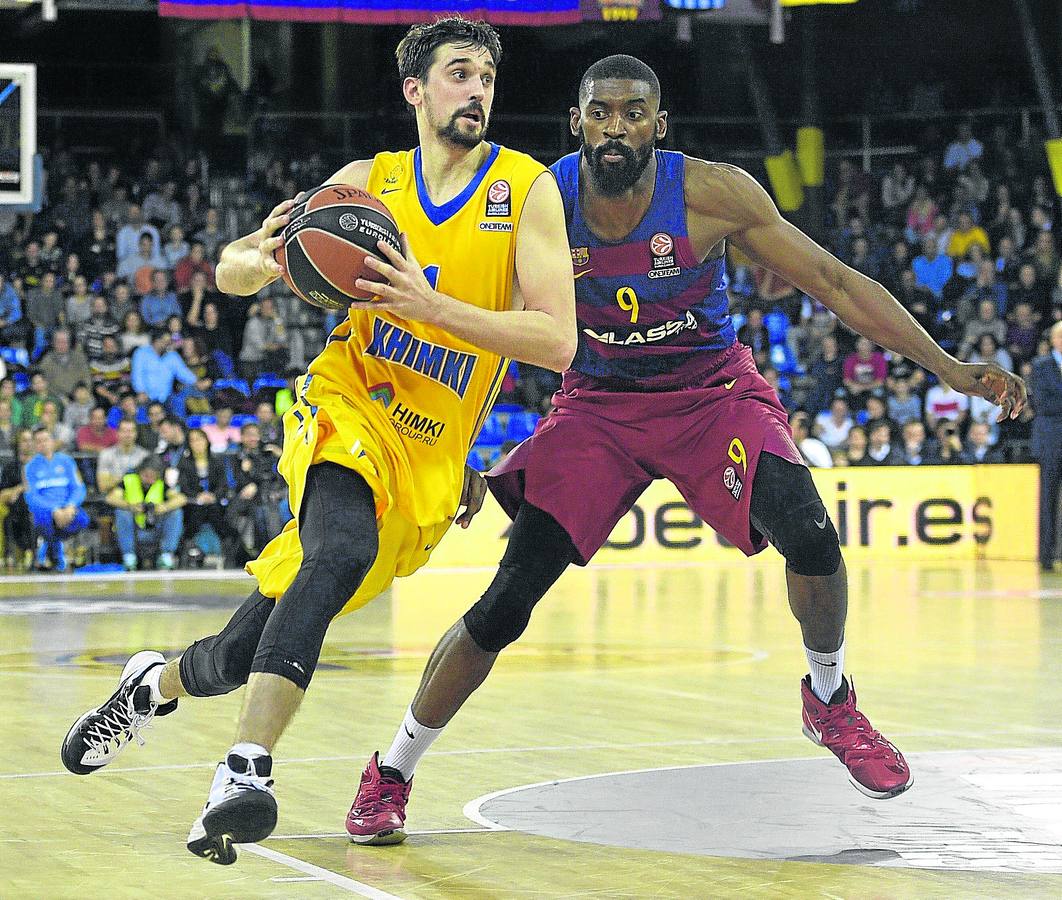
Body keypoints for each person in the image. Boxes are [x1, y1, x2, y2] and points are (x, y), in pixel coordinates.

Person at [339, 55, 1026, 844]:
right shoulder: (538, 201)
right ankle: (390, 771)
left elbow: (835, 284)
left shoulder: (713, 192)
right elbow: (486, 321)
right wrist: (458, 442)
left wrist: (947, 367)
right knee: (505, 602)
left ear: (659, 126)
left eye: (634, 113)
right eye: (601, 113)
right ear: (577, 122)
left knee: (810, 535)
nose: (617, 127)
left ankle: (830, 700)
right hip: (597, 407)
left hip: (711, 397)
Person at [60, 15, 576, 867]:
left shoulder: (525, 189)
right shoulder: (365, 189)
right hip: (347, 403)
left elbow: (560, 343)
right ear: (416, 91)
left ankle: (149, 687)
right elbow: (230, 266)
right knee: (336, 549)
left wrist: (431, 307)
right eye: (458, 74)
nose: (476, 90)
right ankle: (244, 773)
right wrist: (266, 263)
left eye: (486, 77)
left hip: (431, 459)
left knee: (235, 653)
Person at [24, 426, 89, 571]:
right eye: (38, 441)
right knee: (43, 520)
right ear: (34, 445)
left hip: (67, 508)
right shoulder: (29, 467)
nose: (43, 444)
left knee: (83, 519)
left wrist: (71, 506)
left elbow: (79, 487)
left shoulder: (67, 462)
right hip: (45, 511)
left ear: (52, 441)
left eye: (46, 440)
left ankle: (50, 546)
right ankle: (58, 550)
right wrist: (53, 510)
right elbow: (31, 496)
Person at [105, 455, 186, 571]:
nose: (149, 479)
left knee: (175, 513)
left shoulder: (161, 484)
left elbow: (181, 499)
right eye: (146, 475)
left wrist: (164, 507)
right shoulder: (128, 481)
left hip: (155, 528)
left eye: (153, 476)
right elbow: (111, 498)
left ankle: (166, 555)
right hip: (133, 530)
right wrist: (129, 506)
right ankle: (129, 556)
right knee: (121, 512)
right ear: (140, 472)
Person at [1030, 321, 1062, 571]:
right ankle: (1046, 556)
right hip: (1050, 441)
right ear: (1055, 340)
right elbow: (1043, 403)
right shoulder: (1041, 367)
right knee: (1048, 499)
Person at [96, 418, 149, 493]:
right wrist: (129, 477)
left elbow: (148, 483)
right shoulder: (106, 454)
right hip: (112, 499)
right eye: (124, 431)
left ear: (136, 433)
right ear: (117, 433)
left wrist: (114, 479)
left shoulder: (145, 456)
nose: (127, 435)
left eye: (131, 431)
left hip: (138, 497)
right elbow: (103, 486)